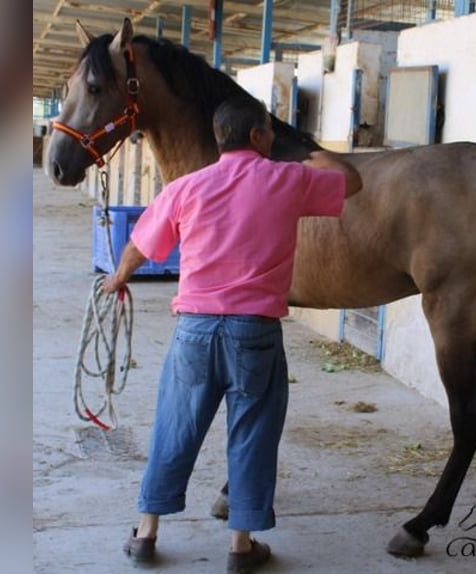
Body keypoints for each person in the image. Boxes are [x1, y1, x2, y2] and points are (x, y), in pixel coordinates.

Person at [102, 95, 362, 573]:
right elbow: (353, 181)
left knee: (175, 428)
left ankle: (145, 533)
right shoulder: (287, 179)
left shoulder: (188, 186)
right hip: (254, 332)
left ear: (220, 137)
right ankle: (241, 547)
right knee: (253, 433)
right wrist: (308, 150)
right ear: (261, 136)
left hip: (195, 330)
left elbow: (141, 244)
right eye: (267, 132)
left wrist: (118, 277)